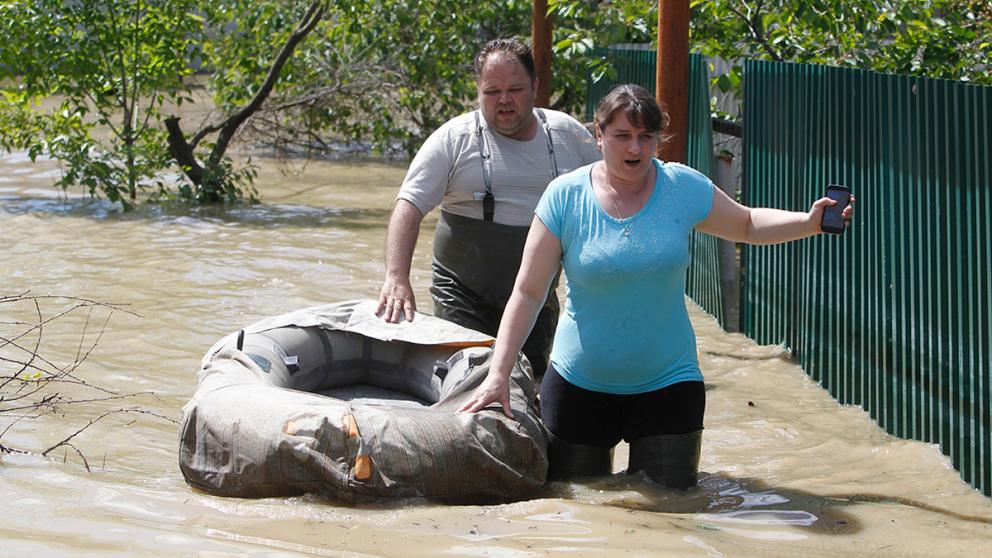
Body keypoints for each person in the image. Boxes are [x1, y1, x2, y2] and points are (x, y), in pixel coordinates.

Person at [458, 84, 855, 489]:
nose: (636, 148)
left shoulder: (681, 188)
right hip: (579, 386)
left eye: (646, 136)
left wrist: (808, 222)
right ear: (599, 136)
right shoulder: (565, 198)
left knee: (674, 514)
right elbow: (528, 292)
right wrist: (498, 374)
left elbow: (747, 224)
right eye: (623, 136)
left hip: (669, 385)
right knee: (576, 513)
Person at [376, 38, 601, 377]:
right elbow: (408, 205)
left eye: (515, 89)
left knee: (532, 383)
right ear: (478, 92)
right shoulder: (453, 139)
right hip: (463, 292)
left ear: (535, 87)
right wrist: (396, 277)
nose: (505, 100)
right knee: (468, 376)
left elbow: (613, 194)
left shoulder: (568, 136)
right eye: (492, 92)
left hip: (538, 293)